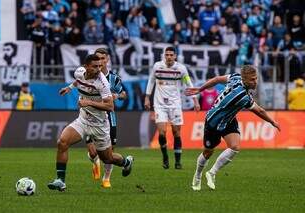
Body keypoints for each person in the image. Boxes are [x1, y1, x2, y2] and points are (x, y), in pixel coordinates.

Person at [185, 65, 280, 191]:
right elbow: (259, 111)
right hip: (213, 121)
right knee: (208, 152)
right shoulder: (242, 96)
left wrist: (200, 89)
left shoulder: (235, 78)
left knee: (235, 147)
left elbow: (217, 79)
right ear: (244, 80)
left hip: (228, 119)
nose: (255, 81)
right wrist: (272, 121)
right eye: (252, 79)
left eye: (256, 78)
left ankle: (212, 173)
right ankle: (197, 176)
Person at [48, 54, 133, 191]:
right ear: (86, 67)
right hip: (83, 120)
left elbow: (110, 107)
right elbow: (78, 81)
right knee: (62, 142)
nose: (98, 69)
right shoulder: (79, 72)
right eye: (95, 66)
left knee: (107, 158)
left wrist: (88, 102)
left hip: (100, 125)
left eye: (100, 66)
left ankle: (126, 162)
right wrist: (69, 88)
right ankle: (60, 180)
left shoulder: (103, 83)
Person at [144, 46, 200, 169]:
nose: (169, 57)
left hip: (175, 104)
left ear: (175, 56)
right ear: (164, 55)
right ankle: (165, 156)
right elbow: (151, 81)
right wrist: (147, 97)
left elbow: (188, 84)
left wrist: (195, 100)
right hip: (159, 104)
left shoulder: (181, 69)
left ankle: (178, 161)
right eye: (167, 55)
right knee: (162, 133)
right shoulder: (157, 66)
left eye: (171, 55)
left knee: (176, 132)